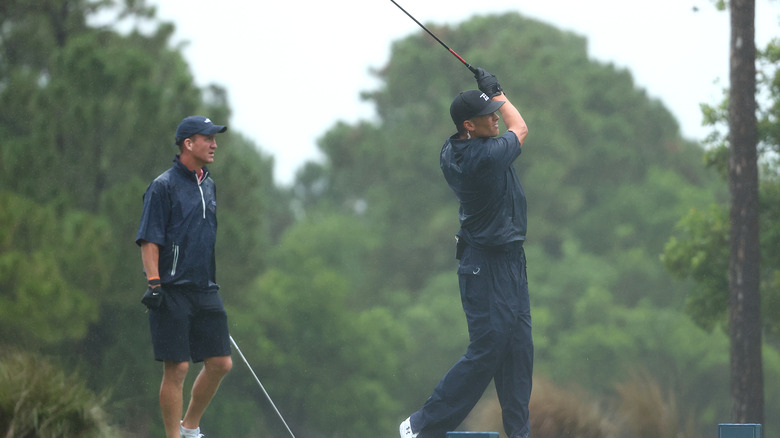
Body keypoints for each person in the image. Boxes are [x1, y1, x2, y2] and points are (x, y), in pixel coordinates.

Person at [400, 69, 532, 438]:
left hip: (508, 262)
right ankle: (420, 426)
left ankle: (519, 434)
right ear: (469, 126)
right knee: (488, 350)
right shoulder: (484, 156)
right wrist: (499, 92)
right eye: (489, 114)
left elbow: (501, 125)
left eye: (495, 110)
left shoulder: (453, 146)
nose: (496, 117)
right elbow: (520, 128)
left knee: (518, 351)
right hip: (486, 265)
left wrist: (487, 97)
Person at [136, 116, 233, 438]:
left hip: (204, 287)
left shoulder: (208, 183)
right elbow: (150, 239)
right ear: (188, 144)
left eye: (215, 138)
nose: (214, 144)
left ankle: (190, 428)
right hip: (171, 289)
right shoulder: (162, 186)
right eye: (208, 138)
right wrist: (154, 282)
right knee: (176, 368)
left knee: (220, 363)